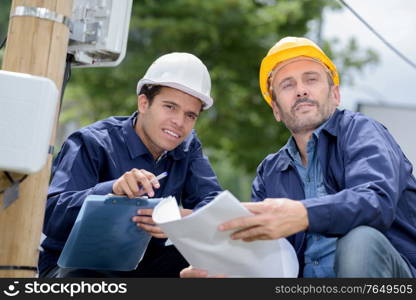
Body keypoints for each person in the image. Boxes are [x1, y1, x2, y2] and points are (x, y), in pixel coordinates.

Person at [181, 37, 416, 278]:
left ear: (335, 94)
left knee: (360, 240)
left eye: (311, 79)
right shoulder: (269, 173)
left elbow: (376, 201)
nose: (301, 90)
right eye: (287, 85)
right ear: (276, 110)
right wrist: (225, 271)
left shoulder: (362, 132)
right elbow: (267, 260)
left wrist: (304, 214)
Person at [38, 52, 223, 278]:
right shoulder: (91, 142)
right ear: (144, 103)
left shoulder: (187, 147)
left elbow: (214, 205)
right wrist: (112, 190)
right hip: (75, 267)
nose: (179, 122)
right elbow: (50, 215)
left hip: (144, 266)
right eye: (170, 107)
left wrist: (183, 219)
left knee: (211, 260)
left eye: (190, 115)